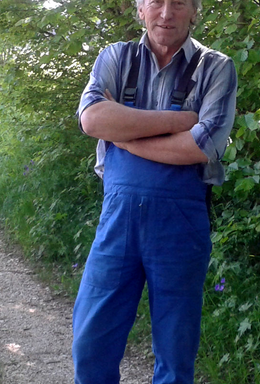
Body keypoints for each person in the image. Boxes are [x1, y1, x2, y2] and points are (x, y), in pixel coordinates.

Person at [72, 0, 237, 381]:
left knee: (175, 354)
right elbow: (93, 118)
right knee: (91, 342)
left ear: (195, 11)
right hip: (117, 225)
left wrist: (125, 137)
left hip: (180, 227)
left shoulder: (216, 68)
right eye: (156, 2)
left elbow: (201, 146)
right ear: (140, 9)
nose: (166, 13)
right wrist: (180, 121)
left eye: (178, 3)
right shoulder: (115, 56)